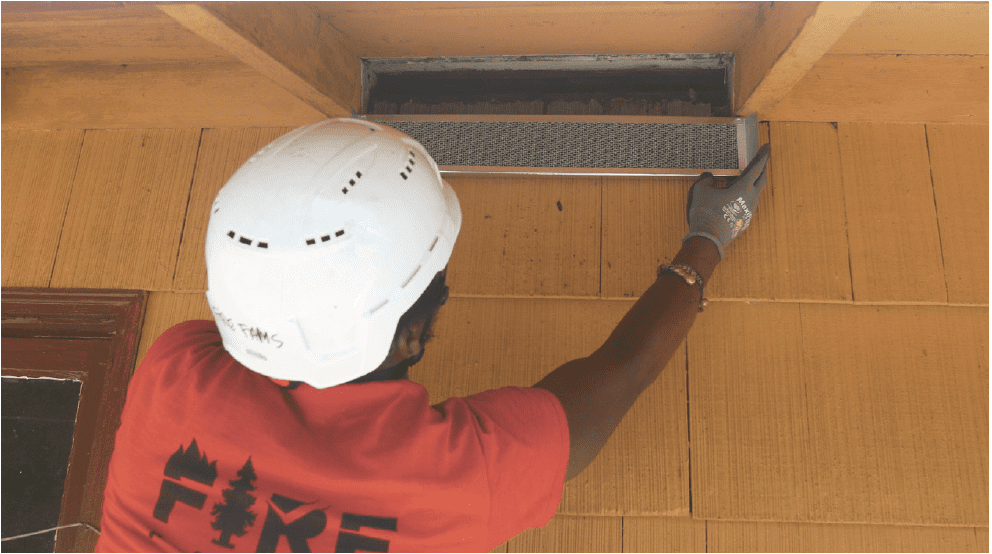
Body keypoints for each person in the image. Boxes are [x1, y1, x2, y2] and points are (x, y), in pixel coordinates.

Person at [95, 118, 771, 552]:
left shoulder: (173, 373)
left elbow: (620, 371)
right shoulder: (173, 370)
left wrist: (709, 240)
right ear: (408, 338)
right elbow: (621, 371)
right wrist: (709, 234)